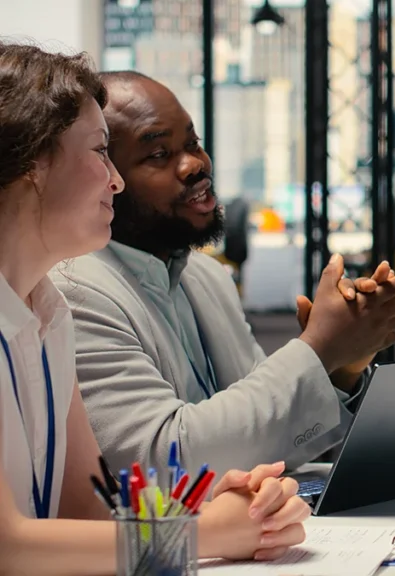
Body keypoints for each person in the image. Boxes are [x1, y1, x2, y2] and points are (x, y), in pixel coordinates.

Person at [0, 41, 311, 573]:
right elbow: (9, 547)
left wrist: (218, 510)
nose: (115, 180)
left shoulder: (48, 312)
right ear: (33, 163)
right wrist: (206, 533)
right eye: (100, 151)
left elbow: (86, 514)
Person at [50, 69, 395, 476]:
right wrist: (318, 348)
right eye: (158, 154)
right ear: (109, 179)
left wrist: (342, 366)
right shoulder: (72, 292)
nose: (195, 165)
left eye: (193, 143)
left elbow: (263, 433)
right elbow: (161, 463)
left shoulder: (206, 276)